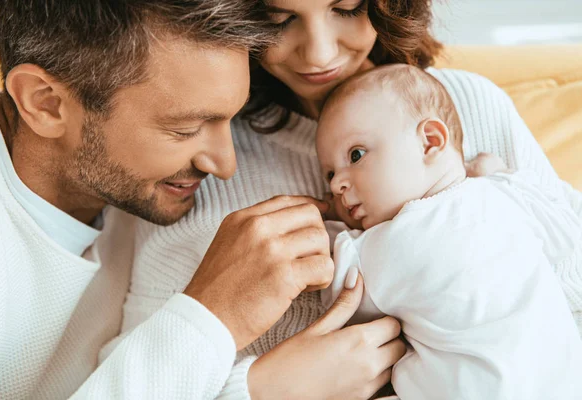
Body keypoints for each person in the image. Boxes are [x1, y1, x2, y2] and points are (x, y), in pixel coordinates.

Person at [118, 0, 582, 399]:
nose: (319, 52)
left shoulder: (470, 103)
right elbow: (143, 375)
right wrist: (260, 388)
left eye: (346, 8)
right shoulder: (203, 156)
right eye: (280, 18)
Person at [0, 1, 394, 398]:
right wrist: (218, 329)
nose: (225, 166)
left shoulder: (127, 190)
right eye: (185, 129)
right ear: (46, 103)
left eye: (229, 117)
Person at [316, 64, 582, 399]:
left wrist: (329, 232)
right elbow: (566, 235)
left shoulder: (389, 242)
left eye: (355, 155)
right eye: (328, 175)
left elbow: (342, 300)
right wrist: (500, 175)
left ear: (429, 141)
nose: (338, 184)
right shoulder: (504, 194)